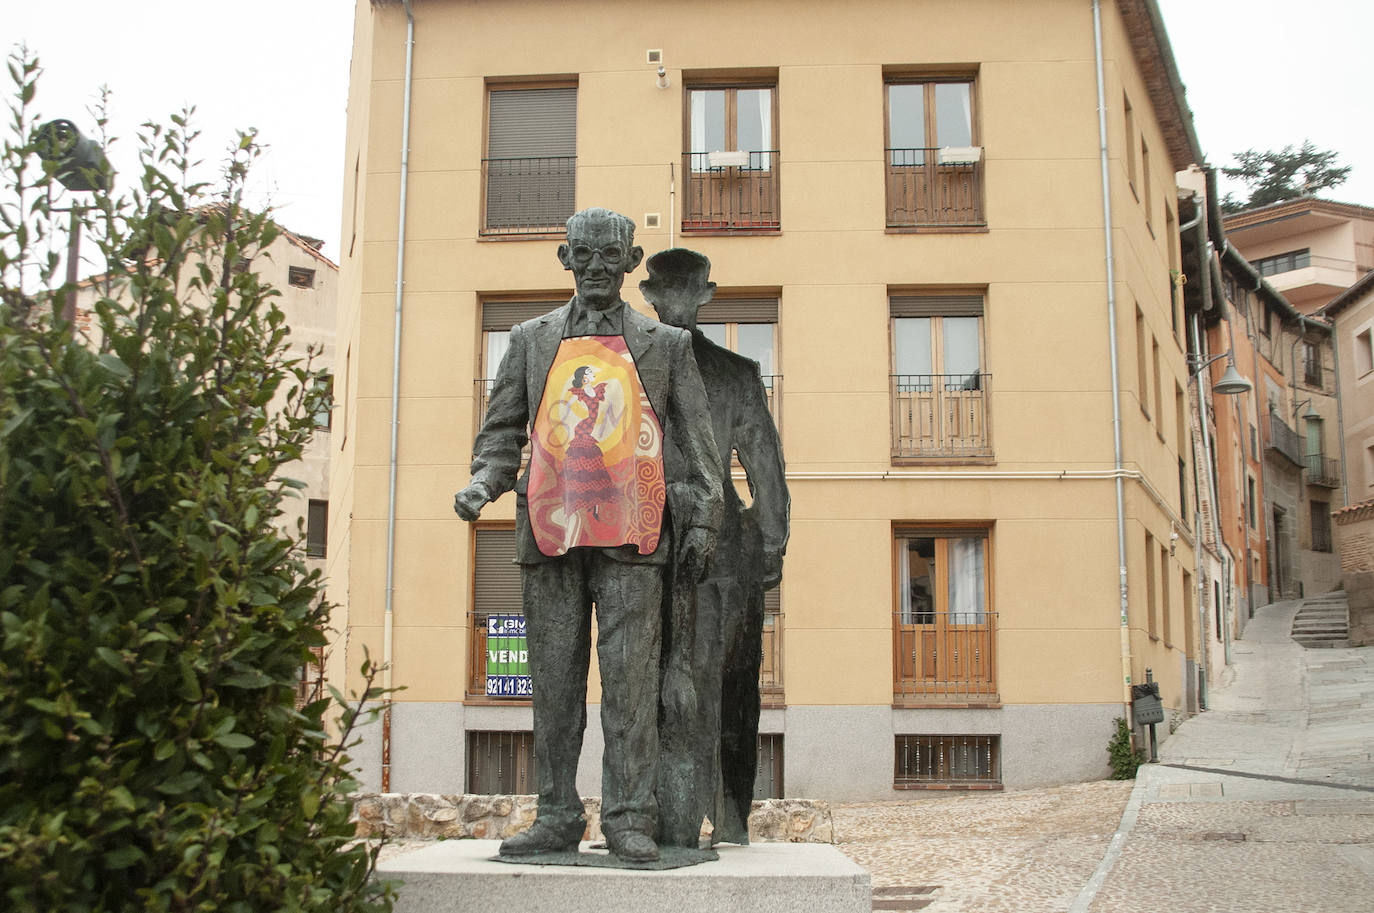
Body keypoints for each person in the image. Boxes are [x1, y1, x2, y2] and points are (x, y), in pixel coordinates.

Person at [453, 208, 722, 864]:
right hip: (549, 529)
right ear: (565, 257)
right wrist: (483, 482)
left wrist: (707, 514)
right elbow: (500, 432)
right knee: (554, 682)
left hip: (634, 533)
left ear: (630, 262)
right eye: (585, 255)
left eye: (611, 257)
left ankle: (629, 815)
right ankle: (555, 812)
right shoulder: (528, 340)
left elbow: (699, 445)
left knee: (630, 683)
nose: (598, 268)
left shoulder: (666, 345)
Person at [639, 248, 789, 846]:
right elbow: (768, 480)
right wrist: (769, 545)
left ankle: (698, 816)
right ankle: (709, 815)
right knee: (710, 687)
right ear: (707, 293)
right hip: (685, 546)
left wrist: (767, 547)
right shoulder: (733, 373)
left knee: (676, 684)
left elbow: (767, 474)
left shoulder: (645, 369)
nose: (675, 303)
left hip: (676, 546)